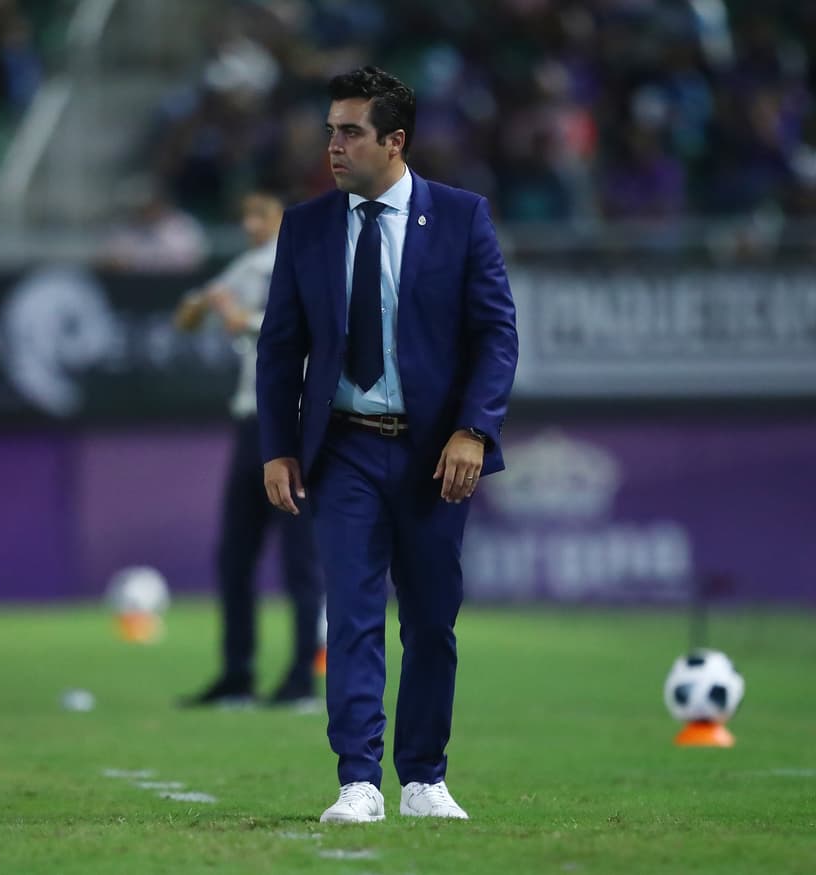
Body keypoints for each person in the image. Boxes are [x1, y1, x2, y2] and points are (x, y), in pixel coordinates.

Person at [256, 68, 518, 823]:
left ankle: (424, 778)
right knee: (352, 614)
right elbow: (280, 348)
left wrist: (474, 429)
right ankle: (358, 780)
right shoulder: (306, 226)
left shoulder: (462, 217)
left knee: (431, 621)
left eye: (350, 132)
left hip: (436, 455)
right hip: (344, 450)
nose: (333, 146)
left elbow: (496, 334)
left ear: (395, 141)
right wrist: (278, 446)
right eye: (330, 131)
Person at [173, 189, 324, 708]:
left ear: (284, 216)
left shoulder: (307, 261)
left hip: (295, 419)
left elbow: (315, 327)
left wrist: (241, 317)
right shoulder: (248, 266)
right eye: (245, 215)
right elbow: (188, 319)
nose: (250, 224)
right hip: (251, 421)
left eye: (260, 214)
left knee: (300, 556)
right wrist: (201, 306)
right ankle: (237, 674)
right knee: (236, 553)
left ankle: (302, 677)